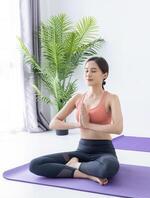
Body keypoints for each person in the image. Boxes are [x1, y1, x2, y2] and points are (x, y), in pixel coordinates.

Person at [29, 57, 123, 185]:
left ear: (105, 75)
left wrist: (89, 125)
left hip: (104, 151)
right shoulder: (78, 98)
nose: (88, 74)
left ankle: (76, 165)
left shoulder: (111, 98)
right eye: (86, 71)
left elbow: (118, 128)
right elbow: (54, 123)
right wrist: (79, 125)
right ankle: (85, 173)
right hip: (82, 151)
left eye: (93, 71)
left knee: (108, 167)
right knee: (36, 164)